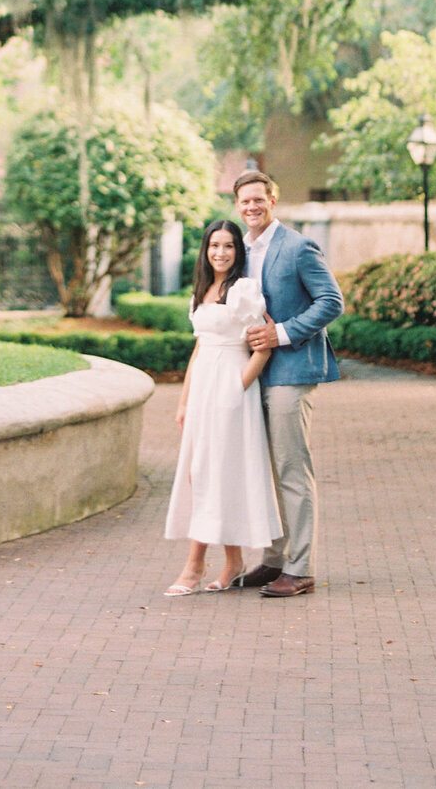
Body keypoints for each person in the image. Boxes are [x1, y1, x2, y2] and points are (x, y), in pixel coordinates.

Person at [234, 168, 344, 598]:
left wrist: (280, 333)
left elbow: (331, 301)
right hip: (251, 372)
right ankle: (274, 560)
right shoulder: (239, 250)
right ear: (238, 206)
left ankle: (300, 568)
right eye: (244, 201)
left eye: (259, 199)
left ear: (273, 200)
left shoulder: (298, 247)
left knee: (291, 470)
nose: (252, 207)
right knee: (264, 470)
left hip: (293, 370)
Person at [163, 219, 281, 595]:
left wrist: (237, 388)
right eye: (215, 245)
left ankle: (193, 566)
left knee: (215, 472)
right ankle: (233, 561)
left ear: (238, 251)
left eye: (229, 246)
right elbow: (199, 349)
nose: (221, 252)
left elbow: (263, 342)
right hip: (202, 392)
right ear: (205, 249)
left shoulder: (244, 289)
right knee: (204, 473)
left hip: (231, 387)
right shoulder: (202, 290)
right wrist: (184, 400)